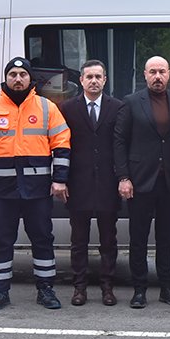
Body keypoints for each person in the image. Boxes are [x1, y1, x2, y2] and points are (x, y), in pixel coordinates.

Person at [0, 57, 71, 311]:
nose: (18, 79)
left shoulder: (47, 108)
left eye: (23, 74)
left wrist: (59, 180)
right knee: (2, 240)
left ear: (30, 79)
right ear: (6, 78)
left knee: (42, 239)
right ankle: (0, 292)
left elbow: (62, 144)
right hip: (3, 192)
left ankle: (46, 290)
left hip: (38, 190)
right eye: (13, 74)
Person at [114, 56, 170, 309]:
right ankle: (139, 289)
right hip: (140, 182)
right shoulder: (130, 103)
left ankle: (167, 288)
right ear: (145, 74)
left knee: (166, 238)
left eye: (162, 72)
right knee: (138, 238)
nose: (157, 76)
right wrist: (124, 177)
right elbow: (119, 142)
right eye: (153, 72)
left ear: (169, 74)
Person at [59, 59, 123, 307]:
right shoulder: (67, 109)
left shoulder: (118, 108)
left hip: (108, 184)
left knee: (109, 240)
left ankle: (108, 287)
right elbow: (62, 146)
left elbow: (120, 146)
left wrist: (122, 178)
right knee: (79, 241)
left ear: (105, 80)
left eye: (98, 77)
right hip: (79, 184)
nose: (94, 81)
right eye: (89, 77)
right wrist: (61, 180)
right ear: (81, 80)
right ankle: (80, 288)